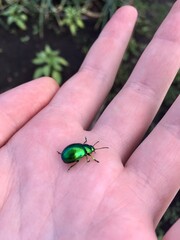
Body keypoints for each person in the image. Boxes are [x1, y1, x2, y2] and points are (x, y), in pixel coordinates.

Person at [0, 1, 179, 240]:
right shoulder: (85, 153)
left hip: (68, 153)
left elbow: (76, 151)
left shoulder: (84, 150)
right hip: (68, 154)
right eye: (91, 150)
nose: (91, 151)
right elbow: (77, 153)